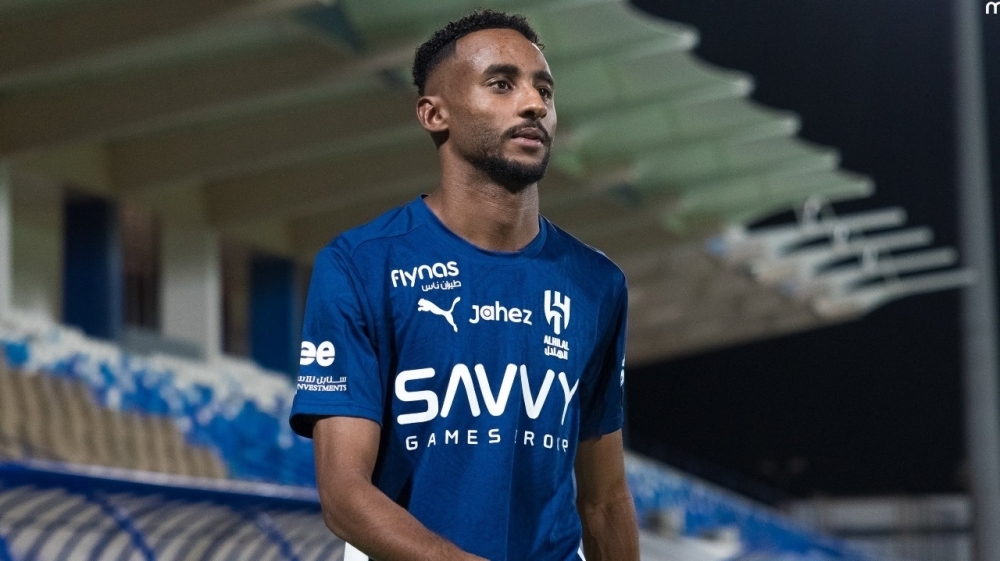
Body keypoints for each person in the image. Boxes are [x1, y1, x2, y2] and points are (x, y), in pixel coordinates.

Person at [289, 10, 640, 561]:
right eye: (502, 84)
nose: (534, 104)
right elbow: (345, 496)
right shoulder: (359, 265)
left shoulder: (597, 282)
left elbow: (605, 501)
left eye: (544, 89)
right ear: (435, 114)